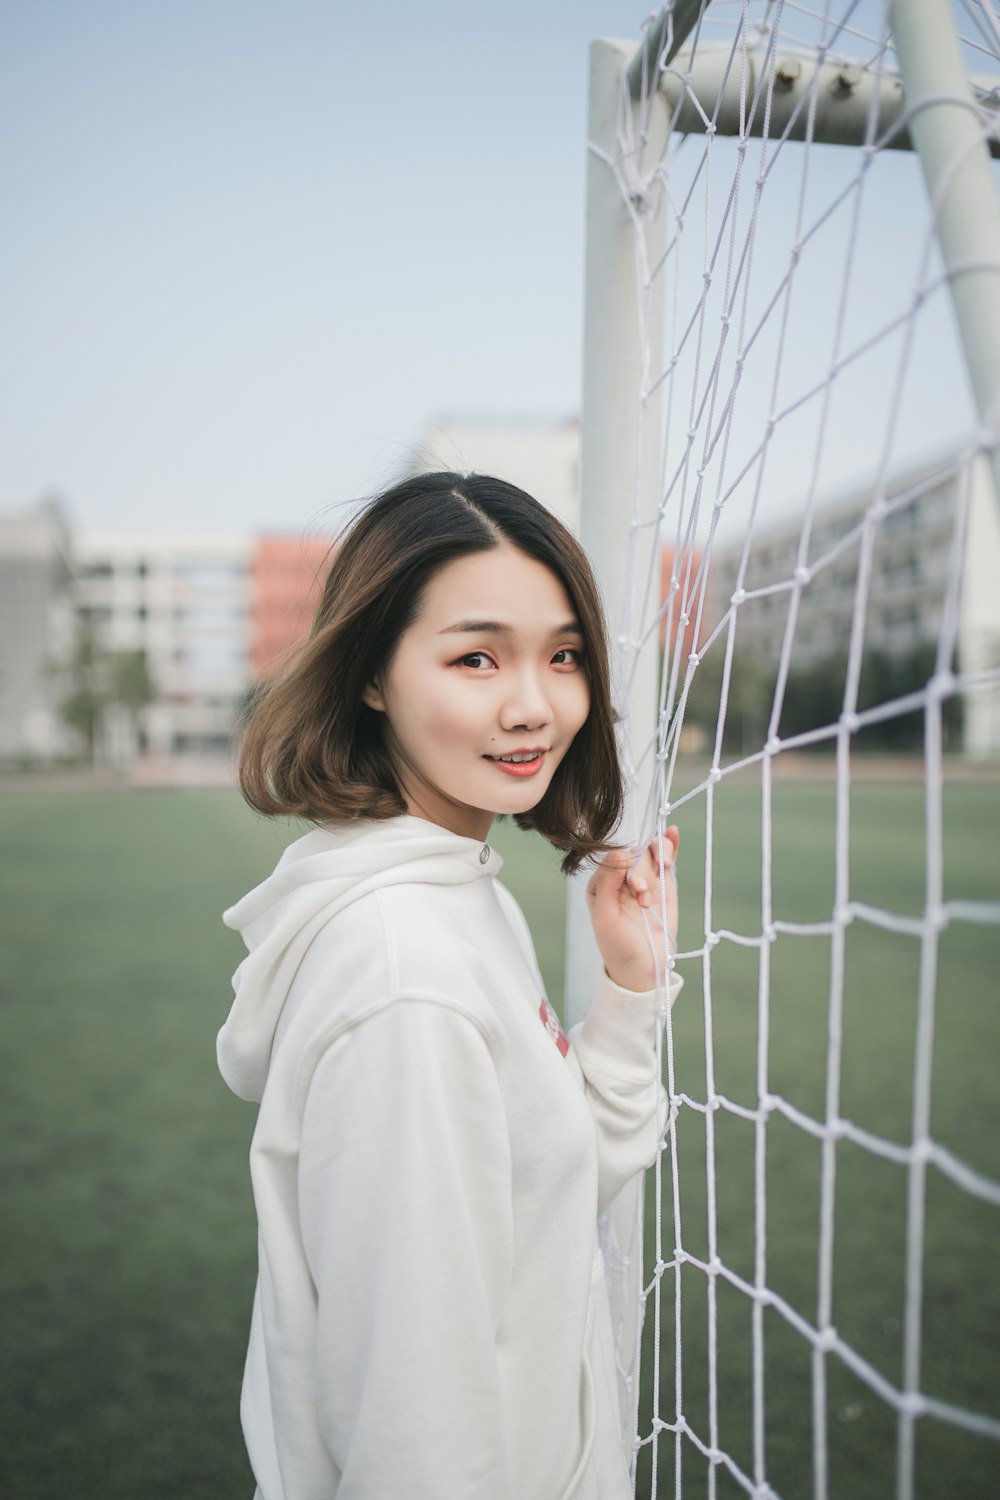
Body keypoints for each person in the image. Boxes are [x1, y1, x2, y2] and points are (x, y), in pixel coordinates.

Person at [217, 471, 681, 1500]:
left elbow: (538, 1201)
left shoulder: (460, 892)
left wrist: (629, 990)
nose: (533, 704)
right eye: (475, 657)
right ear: (372, 673)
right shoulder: (403, 972)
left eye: (562, 656)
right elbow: (412, 1424)